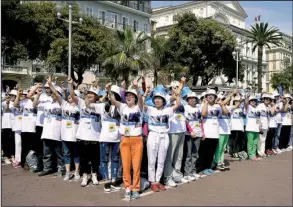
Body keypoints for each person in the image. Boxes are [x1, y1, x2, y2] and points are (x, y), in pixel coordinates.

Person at [107, 80, 143, 200]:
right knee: (126, 165)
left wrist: (137, 89)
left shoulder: (139, 107)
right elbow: (112, 100)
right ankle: (128, 187)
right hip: (124, 139)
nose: (128, 97)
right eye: (127, 96)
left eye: (131, 96)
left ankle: (136, 188)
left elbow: (141, 99)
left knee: (136, 165)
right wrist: (108, 89)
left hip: (136, 139)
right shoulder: (122, 107)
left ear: (135, 98)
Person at [142, 83, 181, 192]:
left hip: (164, 136)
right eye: (156, 99)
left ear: (164, 101)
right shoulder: (150, 109)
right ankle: (152, 182)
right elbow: (141, 103)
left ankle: (158, 181)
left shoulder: (168, 110)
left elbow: (178, 104)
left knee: (161, 160)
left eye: (160, 99)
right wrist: (145, 93)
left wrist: (177, 94)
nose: (157, 100)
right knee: (151, 160)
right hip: (153, 135)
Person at [86, 84, 122, 192]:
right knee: (104, 160)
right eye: (111, 95)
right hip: (105, 138)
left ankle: (114, 180)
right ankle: (107, 181)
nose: (112, 97)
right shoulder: (102, 106)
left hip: (116, 138)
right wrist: (87, 94)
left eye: (115, 95)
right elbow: (88, 105)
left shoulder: (121, 107)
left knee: (115, 159)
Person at [68, 78, 101, 187]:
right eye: (89, 93)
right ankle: (85, 176)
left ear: (97, 97)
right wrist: (70, 84)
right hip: (82, 136)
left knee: (95, 159)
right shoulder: (82, 102)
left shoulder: (99, 106)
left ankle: (94, 175)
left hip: (95, 137)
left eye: (93, 94)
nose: (91, 95)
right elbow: (72, 95)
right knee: (84, 159)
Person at [37, 77, 65, 177]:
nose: (53, 95)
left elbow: (58, 95)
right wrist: (38, 95)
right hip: (46, 133)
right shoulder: (47, 104)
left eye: (55, 93)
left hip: (57, 133)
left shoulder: (63, 105)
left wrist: (51, 85)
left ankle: (61, 169)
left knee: (59, 154)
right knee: (46, 153)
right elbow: (34, 104)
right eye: (52, 93)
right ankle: (47, 168)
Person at [164, 78, 188, 187]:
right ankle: (167, 177)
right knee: (170, 155)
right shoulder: (167, 98)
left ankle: (177, 175)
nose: (176, 90)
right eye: (173, 88)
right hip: (172, 131)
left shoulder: (181, 99)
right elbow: (176, 95)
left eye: (176, 87)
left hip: (182, 130)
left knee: (179, 155)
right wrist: (181, 83)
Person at [199, 89, 229, 176]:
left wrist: (221, 104)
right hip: (206, 133)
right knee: (205, 152)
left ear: (215, 97)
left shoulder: (218, 107)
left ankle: (208, 167)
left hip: (215, 133)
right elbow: (204, 114)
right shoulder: (202, 105)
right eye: (209, 95)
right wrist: (205, 103)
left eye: (212, 95)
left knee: (211, 152)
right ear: (206, 97)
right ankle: (204, 167)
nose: (210, 97)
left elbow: (226, 113)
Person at [27, 82, 53, 172]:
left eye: (48, 87)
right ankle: (39, 165)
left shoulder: (54, 98)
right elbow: (29, 96)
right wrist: (37, 87)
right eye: (45, 87)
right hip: (39, 125)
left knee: (48, 147)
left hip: (49, 125)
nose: (46, 89)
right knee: (38, 146)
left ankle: (50, 166)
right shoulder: (41, 96)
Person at [213, 90, 241, 171]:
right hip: (220, 131)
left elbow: (236, 105)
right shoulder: (216, 107)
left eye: (222, 99)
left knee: (223, 148)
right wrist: (232, 94)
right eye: (220, 99)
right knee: (219, 148)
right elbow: (224, 102)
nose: (222, 100)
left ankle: (221, 161)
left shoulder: (228, 107)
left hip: (227, 131)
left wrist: (238, 96)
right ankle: (217, 162)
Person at [59, 79, 81, 182]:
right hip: (65, 136)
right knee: (66, 154)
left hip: (76, 135)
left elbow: (72, 93)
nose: (69, 97)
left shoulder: (79, 107)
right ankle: (68, 172)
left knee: (76, 154)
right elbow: (56, 94)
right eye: (68, 96)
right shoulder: (64, 105)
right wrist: (50, 84)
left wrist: (71, 85)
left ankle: (76, 172)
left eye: (71, 96)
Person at [183, 92, 202, 180]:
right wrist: (190, 131)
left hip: (198, 133)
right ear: (187, 100)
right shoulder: (186, 108)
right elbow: (185, 121)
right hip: (189, 134)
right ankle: (187, 173)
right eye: (190, 98)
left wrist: (203, 132)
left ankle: (193, 171)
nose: (192, 99)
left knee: (195, 154)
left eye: (194, 98)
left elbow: (200, 121)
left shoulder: (198, 108)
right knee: (188, 154)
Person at [1, 90, 16, 165]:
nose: (12, 97)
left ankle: (12, 155)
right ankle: (6, 156)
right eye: (11, 95)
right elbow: (6, 109)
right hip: (5, 125)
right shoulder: (4, 103)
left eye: (14, 96)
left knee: (12, 141)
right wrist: (6, 102)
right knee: (5, 141)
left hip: (13, 125)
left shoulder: (16, 104)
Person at [245, 94, 261, 161]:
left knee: (255, 143)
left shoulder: (257, 109)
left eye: (254, 101)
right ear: (249, 101)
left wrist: (259, 126)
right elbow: (245, 103)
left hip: (256, 128)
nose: (253, 102)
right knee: (250, 142)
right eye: (252, 101)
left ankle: (254, 154)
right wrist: (247, 98)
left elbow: (258, 119)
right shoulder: (248, 107)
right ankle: (250, 155)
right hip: (250, 128)